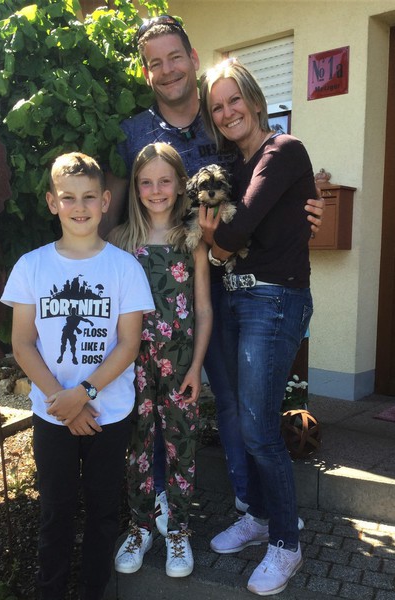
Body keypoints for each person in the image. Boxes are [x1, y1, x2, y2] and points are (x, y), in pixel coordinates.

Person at [105, 14, 324, 533]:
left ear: (193, 59)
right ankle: (157, 504)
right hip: (156, 297)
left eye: (175, 57)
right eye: (155, 63)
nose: (167, 70)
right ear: (146, 72)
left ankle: (251, 506)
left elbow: (264, 183)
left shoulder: (220, 121)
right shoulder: (132, 134)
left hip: (227, 289)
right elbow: (113, 218)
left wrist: (305, 207)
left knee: (231, 401)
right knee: (151, 400)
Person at [0, 152, 155, 600]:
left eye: (89, 197)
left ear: (105, 201)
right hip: (53, 414)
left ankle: (93, 591)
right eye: (68, 197)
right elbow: (22, 343)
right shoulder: (31, 266)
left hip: (109, 413)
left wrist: (83, 393)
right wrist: (63, 401)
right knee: (56, 512)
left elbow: (128, 344)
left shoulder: (124, 267)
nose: (79, 206)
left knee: (105, 512)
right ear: (52, 203)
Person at [198, 58, 316, 596]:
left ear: (255, 98)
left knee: (261, 430)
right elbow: (225, 239)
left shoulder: (282, 150)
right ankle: (263, 518)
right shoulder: (234, 166)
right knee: (247, 425)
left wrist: (217, 242)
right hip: (237, 300)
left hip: (274, 300)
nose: (227, 113)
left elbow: (233, 232)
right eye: (217, 107)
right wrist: (219, 247)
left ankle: (286, 543)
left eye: (234, 100)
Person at [110, 142, 212, 578]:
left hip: (181, 365)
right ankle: (140, 527)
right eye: (146, 182)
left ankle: (178, 531)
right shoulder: (119, 241)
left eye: (164, 181)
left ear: (181, 185)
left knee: (181, 446)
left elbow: (203, 308)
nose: (155, 190)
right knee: (136, 447)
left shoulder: (192, 240)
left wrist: (196, 367)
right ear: (136, 187)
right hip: (130, 365)